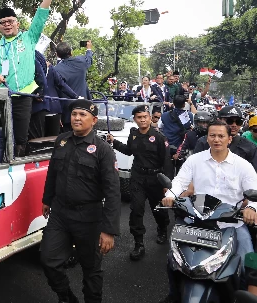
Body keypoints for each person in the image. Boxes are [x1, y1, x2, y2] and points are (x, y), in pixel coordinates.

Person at [160, 121, 257, 303]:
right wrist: (171, 195)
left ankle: (242, 297)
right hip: (197, 222)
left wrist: (251, 207)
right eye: (212, 135)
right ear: (207, 138)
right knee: (174, 259)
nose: (216, 139)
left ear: (230, 139)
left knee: (246, 260)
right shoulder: (195, 160)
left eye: (221, 136)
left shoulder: (243, 166)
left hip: (231, 223)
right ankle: (174, 294)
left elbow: (254, 190)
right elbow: (180, 181)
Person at [40, 99, 120, 303]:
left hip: (88, 218)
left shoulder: (102, 150)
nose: (76, 118)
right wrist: (47, 199)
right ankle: (66, 297)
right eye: (74, 114)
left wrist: (109, 230)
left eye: (82, 115)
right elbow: (52, 174)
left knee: (91, 269)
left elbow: (112, 191)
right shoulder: (62, 141)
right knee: (49, 260)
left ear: (93, 120)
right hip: (60, 214)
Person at [0, 0, 59, 157]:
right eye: (3, 22)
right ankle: (3, 161)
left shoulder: (28, 38)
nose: (7, 24)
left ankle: (18, 165)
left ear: (17, 23)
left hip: (23, 95)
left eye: (10, 21)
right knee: (2, 133)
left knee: (20, 136)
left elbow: (40, 16)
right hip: (2, 96)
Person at [106, 105, 172, 261]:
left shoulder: (159, 137)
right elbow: (129, 150)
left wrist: (167, 185)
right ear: (134, 119)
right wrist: (114, 142)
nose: (142, 120)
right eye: (139, 117)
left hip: (156, 178)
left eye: (145, 117)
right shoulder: (133, 134)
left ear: (149, 118)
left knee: (158, 210)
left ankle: (162, 229)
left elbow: (167, 162)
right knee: (136, 210)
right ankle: (138, 243)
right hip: (137, 177)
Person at [193, 105, 257, 171]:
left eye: (238, 122)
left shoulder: (249, 147)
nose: (234, 125)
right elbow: (195, 168)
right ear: (219, 120)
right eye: (229, 121)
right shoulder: (203, 142)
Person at [44, 57, 80, 137]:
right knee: (54, 138)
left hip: (39, 107)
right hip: (53, 106)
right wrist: (76, 97)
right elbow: (61, 84)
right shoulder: (49, 68)